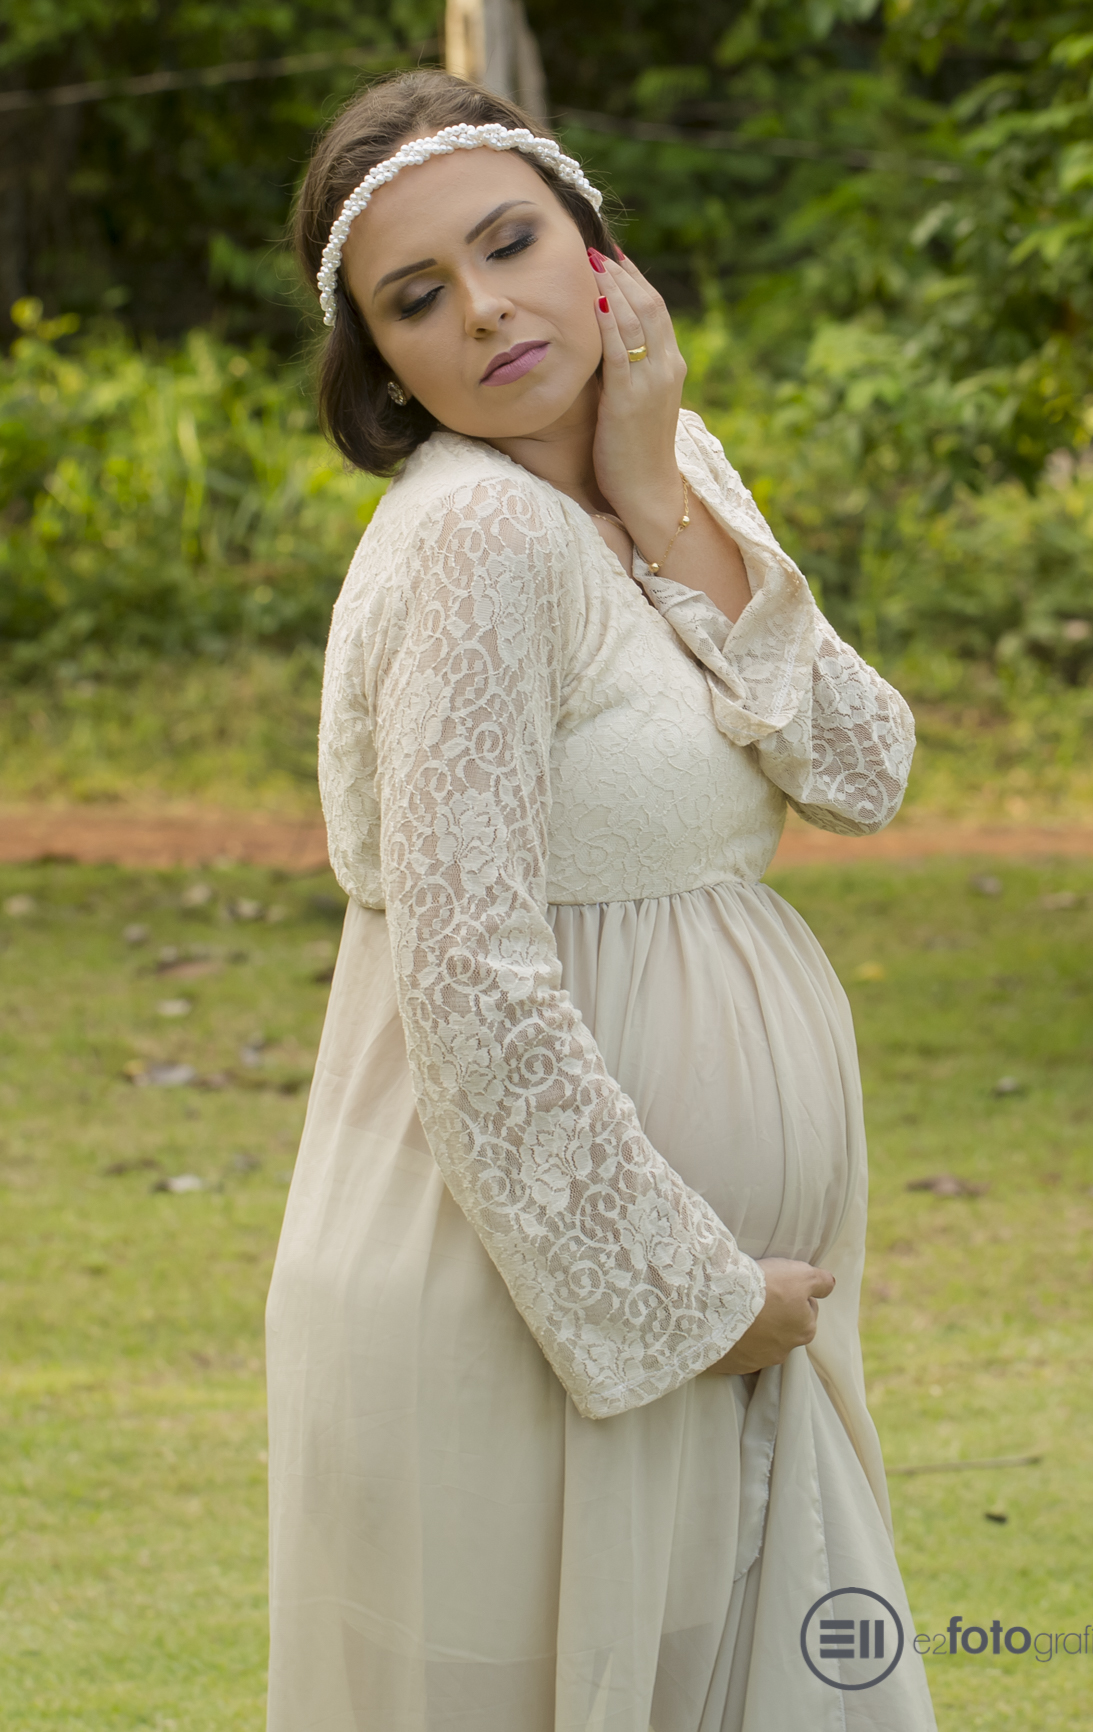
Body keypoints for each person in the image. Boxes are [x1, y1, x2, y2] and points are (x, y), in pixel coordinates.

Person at [266, 68, 936, 1732]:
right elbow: (470, 974)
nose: (486, 308)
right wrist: (697, 1300)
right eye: (418, 297)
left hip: (691, 1304)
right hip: (533, 1296)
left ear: (599, 256)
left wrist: (657, 495)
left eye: (513, 244)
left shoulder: (665, 461)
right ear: (382, 362)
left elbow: (862, 768)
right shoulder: (475, 541)